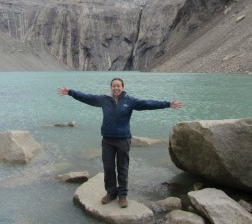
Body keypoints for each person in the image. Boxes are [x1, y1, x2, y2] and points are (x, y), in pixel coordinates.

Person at [57, 77, 182, 209]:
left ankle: (122, 196)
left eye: (118, 86)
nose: (116, 88)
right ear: (111, 87)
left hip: (123, 140)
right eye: (114, 86)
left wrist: (168, 104)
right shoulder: (104, 99)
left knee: (122, 168)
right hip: (107, 140)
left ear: (122, 87)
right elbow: (87, 97)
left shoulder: (130, 100)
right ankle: (111, 193)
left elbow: (148, 104)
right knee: (108, 168)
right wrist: (70, 92)